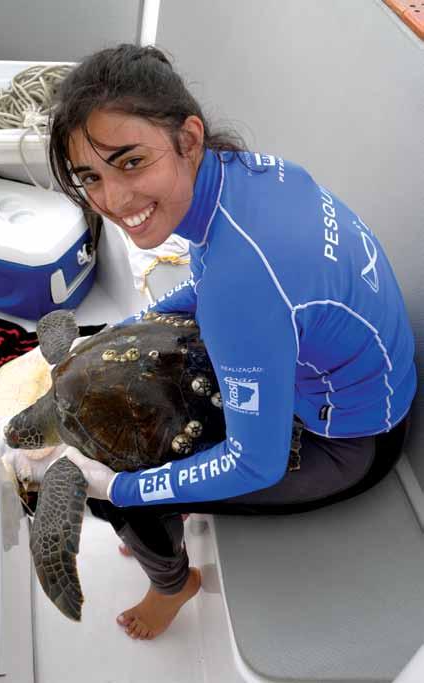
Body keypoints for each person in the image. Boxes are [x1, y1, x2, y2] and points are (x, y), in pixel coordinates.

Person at [48, 44, 417, 641]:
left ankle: (172, 584)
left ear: (188, 138)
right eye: (91, 177)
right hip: (338, 376)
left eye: (131, 162)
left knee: (116, 487)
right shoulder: (251, 175)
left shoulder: (241, 292)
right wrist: (117, 330)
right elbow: (205, 283)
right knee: (139, 387)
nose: (113, 201)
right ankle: (166, 508)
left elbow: (256, 460)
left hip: (350, 445)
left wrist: (123, 488)